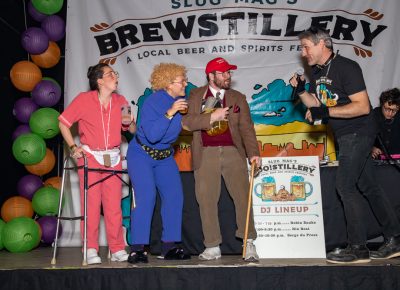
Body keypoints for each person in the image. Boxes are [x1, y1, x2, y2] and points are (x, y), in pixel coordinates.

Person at [290, 27, 400, 264]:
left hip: (359, 131)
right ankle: (394, 238)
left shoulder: (346, 67)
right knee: (368, 186)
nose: (303, 51)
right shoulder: (318, 73)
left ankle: (358, 248)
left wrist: (325, 111)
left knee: (345, 186)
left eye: (306, 46)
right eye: (302, 47)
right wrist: (301, 91)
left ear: (322, 44)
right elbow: (318, 105)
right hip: (344, 134)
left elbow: (362, 106)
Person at [182, 57, 261, 261]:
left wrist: (253, 153)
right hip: (205, 153)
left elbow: (247, 128)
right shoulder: (196, 95)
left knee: (243, 197)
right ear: (211, 75)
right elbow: (188, 123)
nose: (228, 76)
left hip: (233, 152)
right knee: (206, 200)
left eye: (229, 72)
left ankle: (248, 242)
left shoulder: (237, 97)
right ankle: (212, 245)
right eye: (223, 73)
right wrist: (211, 117)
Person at [58, 63, 136, 264]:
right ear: (99, 80)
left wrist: (130, 123)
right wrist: (74, 148)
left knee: (113, 207)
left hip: (113, 158)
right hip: (90, 157)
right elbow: (63, 122)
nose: (115, 77)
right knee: (91, 205)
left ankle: (117, 248)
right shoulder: (84, 100)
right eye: (111, 74)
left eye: (115, 74)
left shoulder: (121, 101)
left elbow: (132, 130)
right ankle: (90, 248)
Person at [126, 63, 190, 263]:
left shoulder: (181, 100)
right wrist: (170, 113)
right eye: (182, 81)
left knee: (174, 197)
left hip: (164, 157)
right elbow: (153, 136)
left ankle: (169, 246)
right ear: (169, 84)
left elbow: (184, 126)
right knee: (146, 197)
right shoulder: (153, 102)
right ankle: (138, 249)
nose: (185, 83)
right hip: (142, 155)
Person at [371, 88, 400, 159]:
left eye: (394, 110)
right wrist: (371, 148)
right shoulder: (374, 115)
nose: (390, 113)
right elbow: (363, 137)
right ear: (381, 104)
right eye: (387, 109)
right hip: (378, 159)